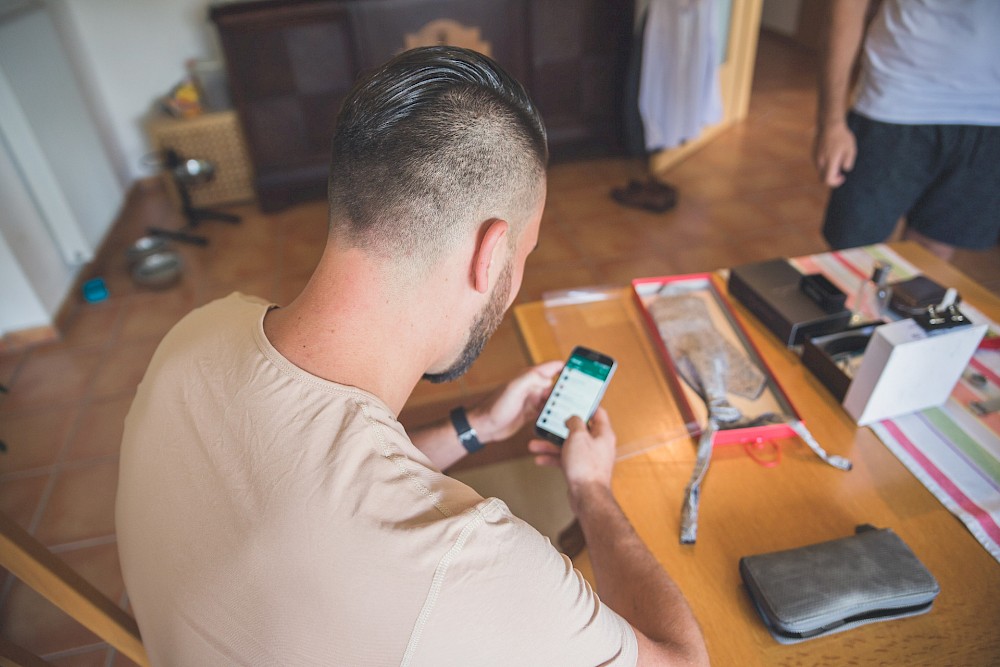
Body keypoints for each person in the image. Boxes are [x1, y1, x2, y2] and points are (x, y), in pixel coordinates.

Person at [116, 46, 708, 666]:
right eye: (524, 256)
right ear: (490, 253)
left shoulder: (200, 331)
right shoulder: (464, 557)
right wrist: (590, 489)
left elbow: (325, 472)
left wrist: (476, 426)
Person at [813, 0, 1000, 260]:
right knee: (851, 254)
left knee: (930, 257)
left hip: (989, 118)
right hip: (894, 102)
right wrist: (831, 122)